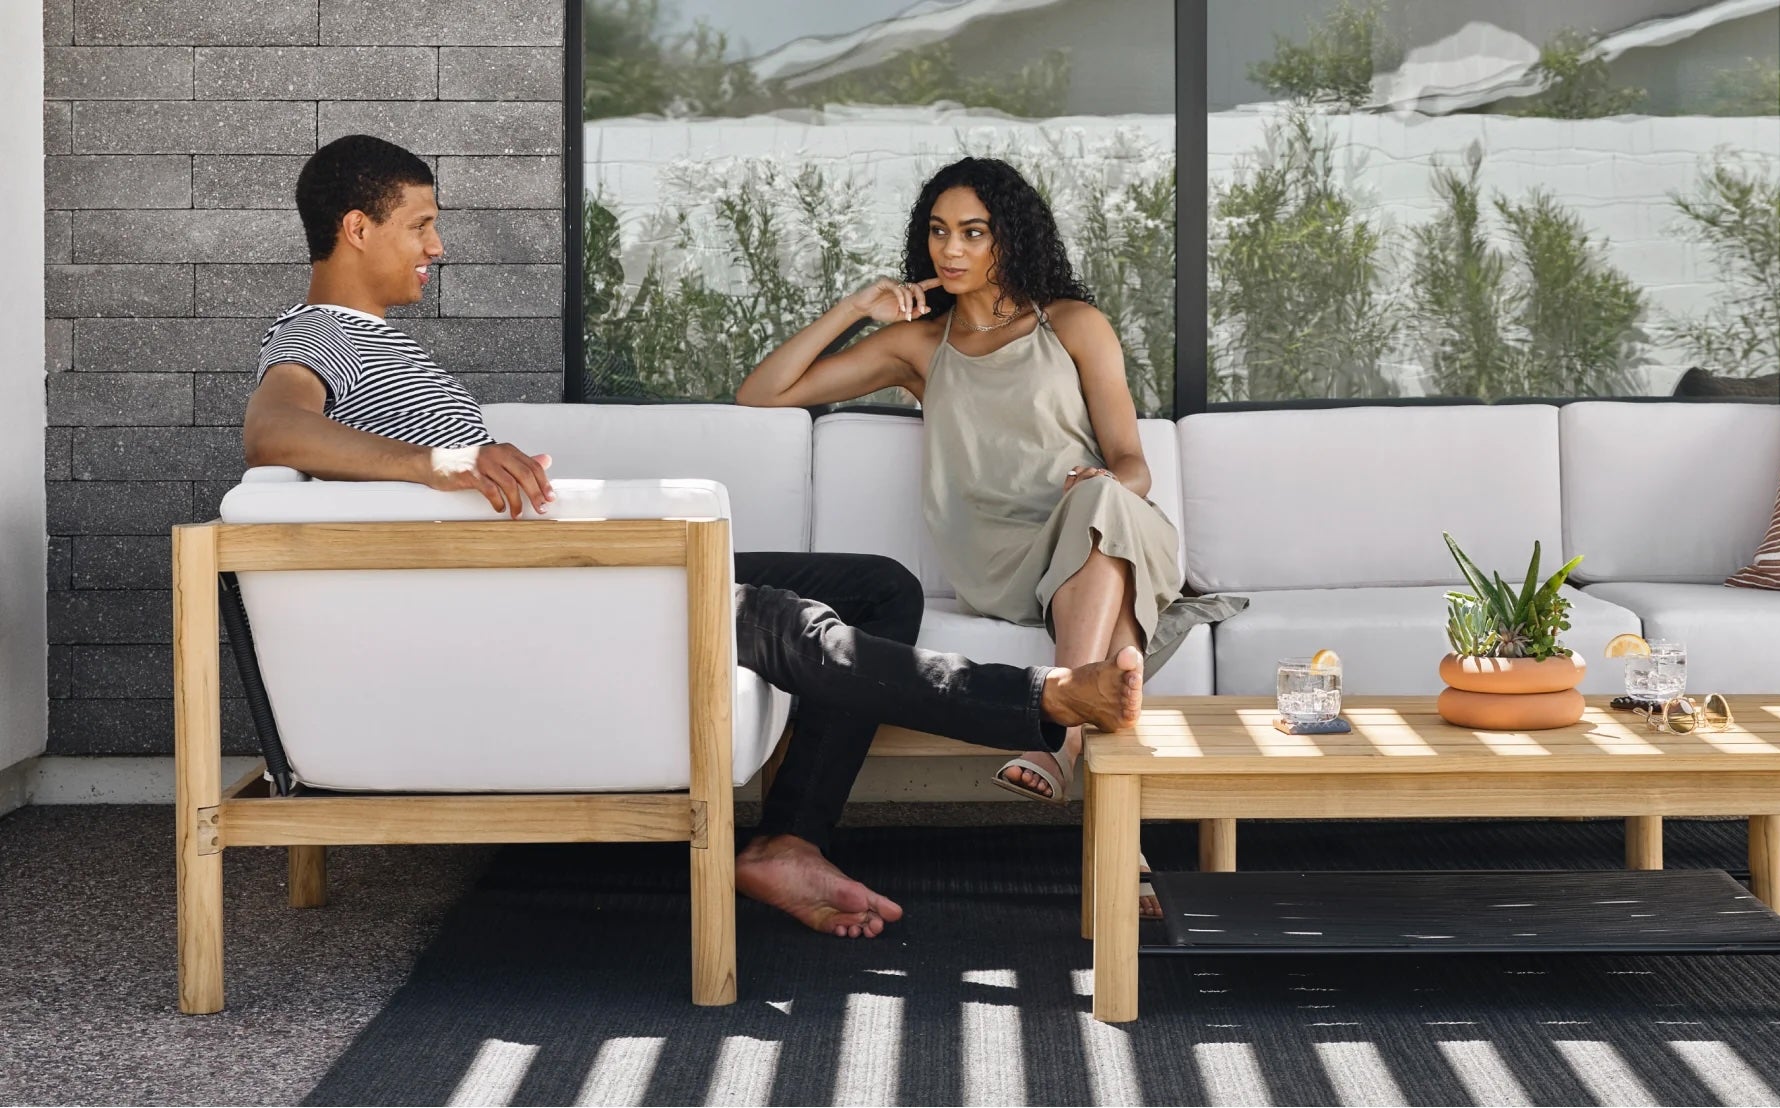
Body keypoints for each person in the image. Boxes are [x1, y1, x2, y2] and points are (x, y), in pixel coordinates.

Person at [240, 134, 1145, 941]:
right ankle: (1046, 699)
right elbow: (273, 433)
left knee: (878, 587)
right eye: (421, 225)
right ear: (358, 229)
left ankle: (790, 842)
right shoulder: (318, 338)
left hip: (566, 573)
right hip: (540, 594)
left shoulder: (386, 345)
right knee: (778, 619)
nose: (436, 245)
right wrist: (444, 463)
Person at [736, 157, 1236, 813]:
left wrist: (1103, 482)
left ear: (1012, 237)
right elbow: (760, 395)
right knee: (1116, 631)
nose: (950, 248)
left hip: (1095, 523)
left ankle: (1058, 738)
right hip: (999, 558)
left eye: (973, 232)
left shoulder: (1073, 325)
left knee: (1100, 502)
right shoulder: (918, 346)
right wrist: (856, 308)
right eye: (939, 232)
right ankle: (1114, 816)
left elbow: (1133, 465)